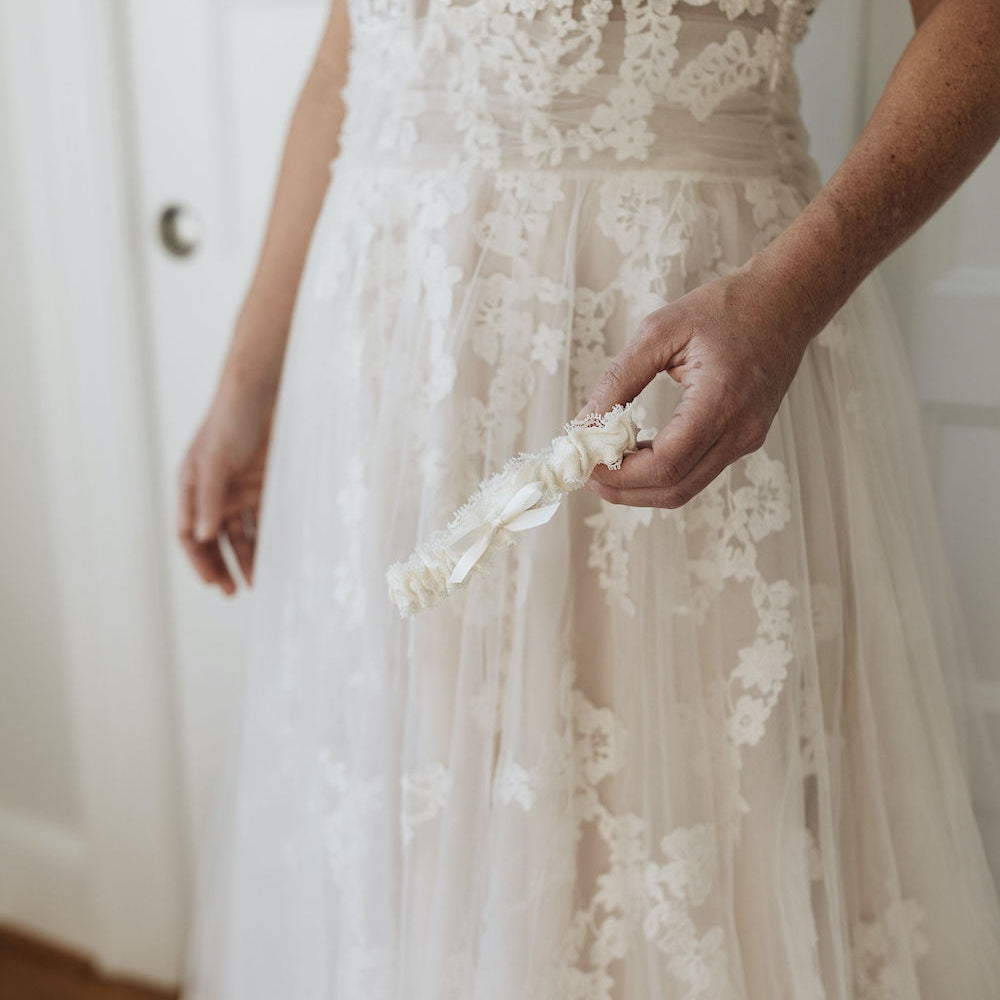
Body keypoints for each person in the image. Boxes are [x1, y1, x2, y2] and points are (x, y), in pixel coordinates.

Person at [177, 0, 1000, 996]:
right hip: (395, 365)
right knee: (419, 810)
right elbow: (344, 57)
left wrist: (788, 297)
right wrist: (247, 380)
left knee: (694, 824)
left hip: (684, 335)